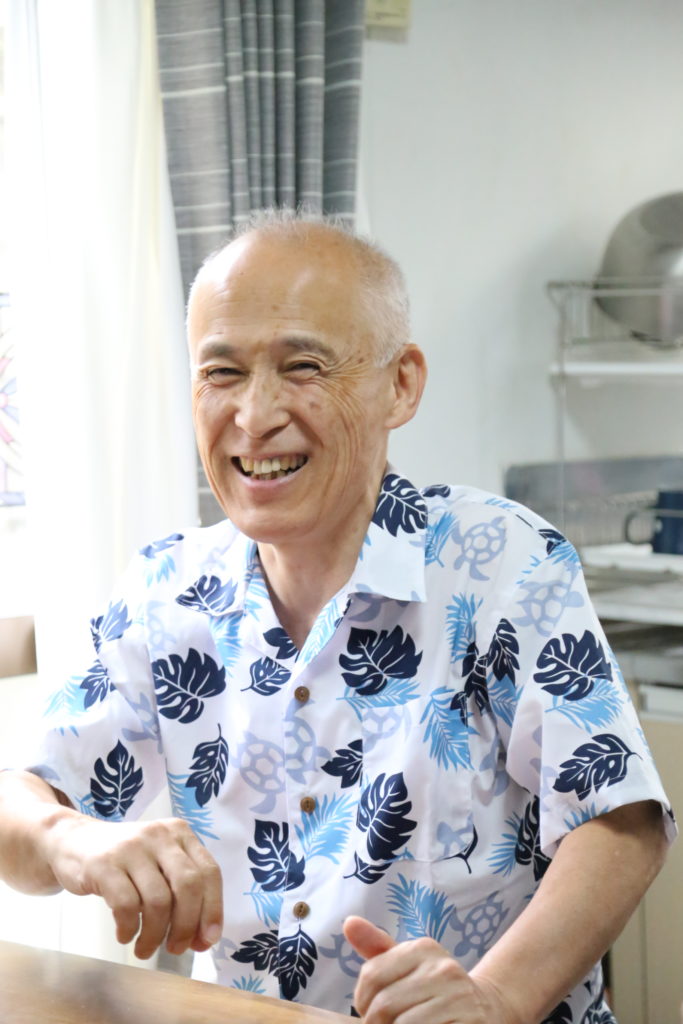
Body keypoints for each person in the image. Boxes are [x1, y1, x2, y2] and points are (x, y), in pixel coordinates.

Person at [0, 211, 674, 1024]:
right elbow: (21, 803)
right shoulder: (164, 589)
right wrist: (74, 840)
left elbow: (619, 821)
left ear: (401, 385)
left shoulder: (500, 560)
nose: (254, 415)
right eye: (221, 372)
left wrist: (495, 998)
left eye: (302, 366)